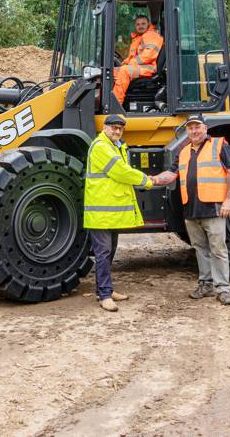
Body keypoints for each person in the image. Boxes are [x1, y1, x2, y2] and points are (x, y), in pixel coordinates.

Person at [151, 113, 230, 305]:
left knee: (218, 249)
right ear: (187, 131)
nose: (194, 130)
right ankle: (205, 284)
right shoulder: (183, 152)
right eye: (190, 128)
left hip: (214, 208)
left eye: (197, 127)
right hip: (191, 209)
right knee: (200, 249)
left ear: (205, 129)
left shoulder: (218, 145)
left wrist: (229, 200)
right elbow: (171, 174)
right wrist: (153, 180)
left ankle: (223, 289)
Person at [83, 113, 154, 312]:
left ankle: (105, 289)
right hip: (100, 213)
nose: (117, 130)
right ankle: (104, 295)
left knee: (109, 251)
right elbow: (120, 171)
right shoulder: (101, 147)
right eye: (113, 127)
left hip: (109, 212)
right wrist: (147, 180)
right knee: (103, 253)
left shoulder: (116, 146)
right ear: (104, 128)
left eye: (120, 128)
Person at [112, 14, 164, 105]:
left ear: (148, 24)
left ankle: (115, 104)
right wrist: (123, 63)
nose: (140, 26)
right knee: (110, 72)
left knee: (124, 71)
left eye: (143, 24)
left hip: (148, 68)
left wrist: (130, 64)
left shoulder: (151, 35)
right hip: (141, 67)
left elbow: (149, 55)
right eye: (138, 24)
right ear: (135, 26)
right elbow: (132, 57)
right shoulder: (138, 38)